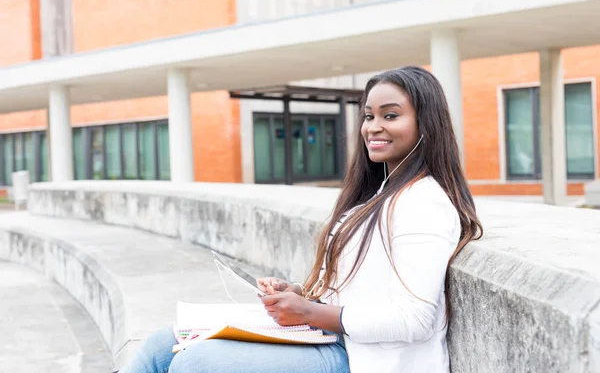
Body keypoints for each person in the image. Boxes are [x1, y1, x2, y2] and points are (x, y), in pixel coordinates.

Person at [118, 66, 482, 373]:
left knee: (198, 361)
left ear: (426, 124)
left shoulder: (423, 202)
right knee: (163, 345)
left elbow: (413, 321)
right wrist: (300, 295)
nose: (372, 127)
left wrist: (310, 312)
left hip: (362, 359)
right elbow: (360, 291)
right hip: (334, 339)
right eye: (369, 116)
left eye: (391, 115)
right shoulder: (380, 194)